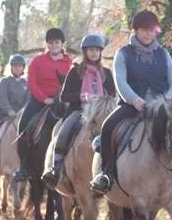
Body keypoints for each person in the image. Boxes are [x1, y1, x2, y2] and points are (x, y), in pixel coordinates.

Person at [89, 10, 172, 193]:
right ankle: (106, 173)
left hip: (161, 107)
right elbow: (120, 80)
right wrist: (133, 99)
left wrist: (167, 100)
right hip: (133, 105)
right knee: (108, 126)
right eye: (144, 30)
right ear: (135, 31)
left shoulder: (163, 54)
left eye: (151, 30)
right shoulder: (123, 53)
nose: (148, 34)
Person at [42, 34, 116, 189]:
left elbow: (112, 95)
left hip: (101, 113)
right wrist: (80, 96)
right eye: (91, 50)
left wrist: (101, 100)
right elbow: (64, 96)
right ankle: (56, 167)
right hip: (78, 111)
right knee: (64, 131)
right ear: (85, 52)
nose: (94, 53)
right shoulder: (75, 71)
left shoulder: (107, 73)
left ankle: (117, 169)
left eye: (97, 50)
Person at [14, 28, 72, 181]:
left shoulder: (69, 63)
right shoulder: (37, 61)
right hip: (39, 101)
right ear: (47, 44)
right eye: (51, 43)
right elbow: (32, 83)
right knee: (23, 125)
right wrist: (45, 99)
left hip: (62, 102)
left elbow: (72, 84)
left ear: (62, 43)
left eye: (57, 42)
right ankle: (24, 166)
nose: (54, 45)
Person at [0, 54, 28, 128]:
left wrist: (23, 113)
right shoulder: (4, 81)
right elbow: (3, 98)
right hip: (6, 115)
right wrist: (9, 111)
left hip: (21, 116)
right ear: (11, 67)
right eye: (15, 66)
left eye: (19, 66)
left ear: (23, 68)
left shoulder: (26, 83)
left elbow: (28, 100)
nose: (17, 68)